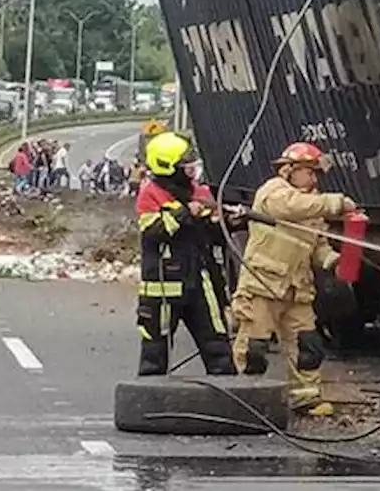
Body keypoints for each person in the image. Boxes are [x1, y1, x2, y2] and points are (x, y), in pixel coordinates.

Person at [231, 142, 356, 417]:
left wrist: (334, 261)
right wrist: (337, 203)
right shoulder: (274, 192)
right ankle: (247, 400)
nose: (314, 179)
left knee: (306, 345)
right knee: (254, 346)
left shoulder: (312, 205)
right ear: (288, 170)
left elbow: (318, 245)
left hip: (297, 289)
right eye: (308, 172)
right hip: (262, 285)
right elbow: (291, 207)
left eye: (315, 174)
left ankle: (305, 398)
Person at [134, 131, 236, 376]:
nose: (191, 172)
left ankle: (228, 402)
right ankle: (151, 403)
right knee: (155, 353)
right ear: (168, 166)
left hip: (201, 282)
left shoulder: (199, 192)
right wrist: (184, 212)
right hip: (163, 288)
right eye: (185, 166)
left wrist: (229, 221)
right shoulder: (151, 193)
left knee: (217, 344)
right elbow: (153, 232)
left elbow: (215, 236)